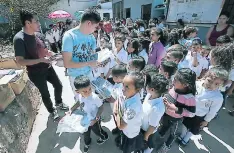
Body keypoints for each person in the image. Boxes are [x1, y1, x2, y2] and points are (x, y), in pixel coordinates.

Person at [13, 9, 68, 120]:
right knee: (45, 93)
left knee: (58, 85)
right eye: (36, 21)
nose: (39, 24)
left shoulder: (38, 35)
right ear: (28, 23)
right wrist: (40, 60)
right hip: (35, 73)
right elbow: (20, 61)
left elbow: (45, 50)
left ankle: (59, 103)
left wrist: (52, 54)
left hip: (47, 67)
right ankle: (52, 111)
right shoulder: (19, 39)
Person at [178, 67, 228, 146]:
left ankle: (186, 138)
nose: (211, 85)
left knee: (194, 128)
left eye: (216, 84)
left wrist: (206, 120)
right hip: (189, 110)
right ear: (205, 76)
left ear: (221, 84)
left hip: (199, 116)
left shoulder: (218, 97)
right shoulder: (197, 84)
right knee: (185, 123)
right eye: (209, 81)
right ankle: (182, 135)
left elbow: (213, 111)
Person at [156, 68, 196, 153]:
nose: (173, 80)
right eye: (174, 78)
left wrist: (176, 109)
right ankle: (158, 138)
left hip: (175, 120)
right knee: (163, 126)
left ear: (185, 84)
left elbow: (192, 114)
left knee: (173, 134)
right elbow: (168, 94)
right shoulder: (173, 87)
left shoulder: (189, 98)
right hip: (165, 114)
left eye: (176, 80)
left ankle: (166, 146)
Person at [62, 9, 101, 95]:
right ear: (89, 23)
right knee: (81, 101)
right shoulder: (69, 36)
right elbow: (67, 64)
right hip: (76, 78)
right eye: (95, 27)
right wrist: (88, 63)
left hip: (89, 74)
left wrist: (99, 61)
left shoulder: (91, 38)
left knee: (92, 99)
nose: (95, 30)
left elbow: (92, 55)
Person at [70, 75, 109, 153]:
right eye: (85, 91)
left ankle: (104, 136)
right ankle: (87, 143)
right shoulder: (80, 96)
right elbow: (78, 102)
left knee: (97, 131)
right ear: (78, 92)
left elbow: (101, 108)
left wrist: (96, 119)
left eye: (90, 89)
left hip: (95, 120)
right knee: (85, 133)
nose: (88, 92)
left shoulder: (95, 98)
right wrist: (71, 109)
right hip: (86, 119)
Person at [114, 72, 145, 153]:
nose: (123, 88)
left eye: (127, 86)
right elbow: (118, 99)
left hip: (130, 133)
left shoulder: (133, 107)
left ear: (137, 89)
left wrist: (117, 112)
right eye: (123, 84)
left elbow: (121, 126)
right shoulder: (128, 93)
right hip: (125, 130)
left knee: (127, 149)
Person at [141, 73, 169, 153]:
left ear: (152, 89)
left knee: (149, 144)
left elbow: (152, 126)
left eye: (147, 85)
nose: (145, 86)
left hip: (148, 131)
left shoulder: (157, 108)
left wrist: (146, 136)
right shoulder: (150, 95)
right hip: (143, 125)